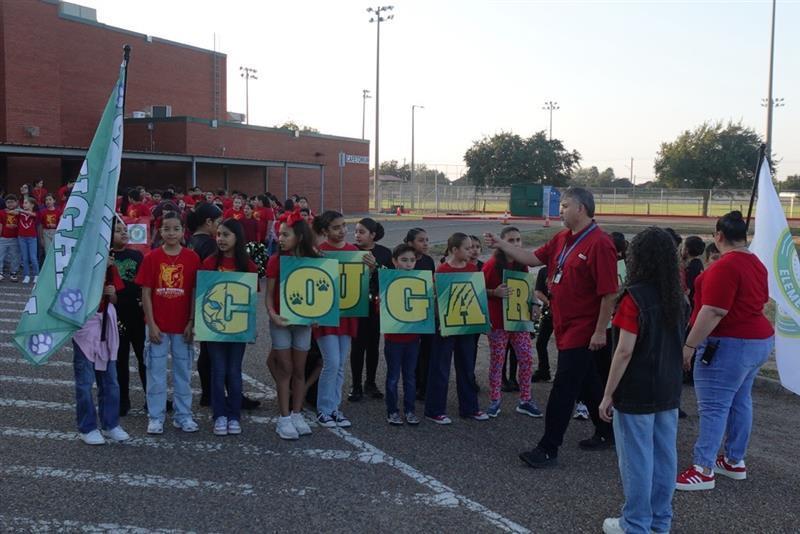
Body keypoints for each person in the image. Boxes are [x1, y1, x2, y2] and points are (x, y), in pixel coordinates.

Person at [485, 187, 618, 467]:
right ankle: (608, 431)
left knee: (564, 388)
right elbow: (533, 258)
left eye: (565, 205)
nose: (560, 210)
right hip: (564, 324)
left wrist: (599, 331)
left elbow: (608, 294)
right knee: (588, 381)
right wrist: (501, 244)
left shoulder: (600, 243)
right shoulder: (562, 238)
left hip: (583, 329)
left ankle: (548, 448)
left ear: (581, 208)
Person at [676, 211, 774, 491]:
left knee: (714, 406)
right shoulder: (755, 263)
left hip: (730, 342)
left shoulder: (724, 266)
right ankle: (733, 459)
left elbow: (713, 310)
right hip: (757, 338)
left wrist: (689, 345)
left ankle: (703, 468)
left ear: (718, 236)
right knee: (740, 400)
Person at [598, 227, 686, 534]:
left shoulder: (634, 297)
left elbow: (624, 351)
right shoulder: (678, 297)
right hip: (668, 388)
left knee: (637, 461)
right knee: (665, 458)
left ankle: (635, 523)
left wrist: (608, 393)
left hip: (637, 390)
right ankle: (660, 521)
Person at [135, 211, 201, 435]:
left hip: (183, 326)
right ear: (159, 231)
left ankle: (183, 415)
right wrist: (151, 323)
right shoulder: (151, 258)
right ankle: (156, 416)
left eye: (176, 229)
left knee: (183, 372)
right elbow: (146, 293)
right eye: (166, 229)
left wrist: (191, 321)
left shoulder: (192, 258)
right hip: (158, 326)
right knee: (155, 373)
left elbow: (194, 291)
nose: (171, 233)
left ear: (183, 231)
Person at [313, 211, 375, 428]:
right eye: (336, 227)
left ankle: (334, 408)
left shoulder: (354, 252)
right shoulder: (319, 252)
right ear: (324, 231)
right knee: (331, 362)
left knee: (339, 365)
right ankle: (323, 409)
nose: (342, 231)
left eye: (343, 226)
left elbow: (360, 285)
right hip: (326, 315)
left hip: (348, 315)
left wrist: (370, 269)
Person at [202, 219, 259, 436]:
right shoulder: (209, 263)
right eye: (218, 234)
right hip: (214, 328)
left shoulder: (248, 266)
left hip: (237, 328)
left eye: (226, 235)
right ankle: (219, 415)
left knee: (234, 371)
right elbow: (201, 296)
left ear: (237, 237)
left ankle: (234, 415)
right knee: (218, 371)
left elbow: (251, 302)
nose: (221, 239)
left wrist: (252, 327)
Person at [425, 232, 488, 424]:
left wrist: (483, 320)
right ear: (454, 250)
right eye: (467, 248)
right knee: (440, 367)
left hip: (466, 325)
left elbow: (477, 296)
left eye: (473, 247)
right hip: (446, 326)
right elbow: (438, 299)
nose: (471, 251)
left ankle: (470, 408)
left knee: (467, 366)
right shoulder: (442, 270)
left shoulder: (473, 269)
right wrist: (440, 322)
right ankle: (434, 410)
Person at [266, 210, 318, 439]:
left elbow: (321, 293)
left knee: (299, 370)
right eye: (279, 234)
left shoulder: (314, 260)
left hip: (304, 323)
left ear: (300, 237)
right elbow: (268, 296)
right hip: (281, 322)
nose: (280, 238)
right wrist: (273, 315)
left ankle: (297, 414)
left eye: (285, 234)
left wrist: (318, 315)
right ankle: (284, 418)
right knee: (285, 369)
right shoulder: (275, 260)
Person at [482, 226, 541, 418]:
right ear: (501, 242)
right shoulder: (491, 265)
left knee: (526, 358)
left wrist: (534, 303)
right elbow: (477, 289)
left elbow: (527, 286)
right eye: (511, 240)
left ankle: (525, 400)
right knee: (497, 361)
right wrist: (494, 292)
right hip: (498, 322)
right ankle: (494, 401)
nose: (515, 243)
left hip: (518, 320)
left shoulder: (521, 263)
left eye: (518, 240)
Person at [72, 253, 129, 445]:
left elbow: (114, 299)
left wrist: (110, 293)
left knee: (111, 380)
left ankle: (110, 424)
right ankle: (87, 427)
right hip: (85, 325)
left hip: (106, 323)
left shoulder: (110, 268)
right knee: (85, 382)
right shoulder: (78, 265)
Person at [349, 217, 392, 402]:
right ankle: (356, 385)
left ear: (373, 235)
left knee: (373, 346)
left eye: (361, 232)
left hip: (375, 306)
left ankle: (371, 382)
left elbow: (390, 277)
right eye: (355, 231)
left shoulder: (384, 252)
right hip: (355, 304)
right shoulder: (351, 251)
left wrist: (376, 267)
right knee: (357, 346)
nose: (357, 235)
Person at [111, 217, 146, 417]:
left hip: (137, 313)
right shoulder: (105, 257)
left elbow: (144, 282)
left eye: (125, 229)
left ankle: (152, 398)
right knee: (120, 359)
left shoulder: (137, 255)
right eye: (118, 230)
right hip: (116, 315)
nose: (123, 233)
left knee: (144, 358)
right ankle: (122, 400)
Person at [384, 244, 422, 425]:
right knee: (393, 377)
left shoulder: (420, 281)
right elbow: (380, 309)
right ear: (394, 261)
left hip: (413, 338)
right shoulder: (388, 281)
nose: (408, 264)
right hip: (393, 339)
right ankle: (392, 411)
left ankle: (410, 410)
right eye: (404, 260)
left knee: (410, 377)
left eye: (412, 260)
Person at [404, 227, 435, 400]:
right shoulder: (404, 261)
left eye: (427, 240)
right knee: (412, 351)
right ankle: (414, 385)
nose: (425, 244)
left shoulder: (429, 260)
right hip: (409, 313)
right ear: (410, 243)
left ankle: (425, 385)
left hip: (426, 312)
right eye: (421, 240)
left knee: (427, 350)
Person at [531, 265, 553, 383]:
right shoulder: (543, 271)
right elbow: (538, 291)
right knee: (541, 342)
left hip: (564, 312)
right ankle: (544, 370)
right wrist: (549, 302)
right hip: (549, 312)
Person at [16, 196, 40, 284]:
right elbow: (13, 212)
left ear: (32, 205)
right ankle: (26, 275)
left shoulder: (35, 213)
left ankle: (36, 275)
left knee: (33, 257)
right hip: (21, 237)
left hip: (32, 238)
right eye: (23, 203)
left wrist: (21, 210)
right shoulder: (20, 214)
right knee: (25, 257)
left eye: (26, 203)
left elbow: (34, 215)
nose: (24, 204)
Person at [0, 194, 21, 282]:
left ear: (16, 202)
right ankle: (0, 272)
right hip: (3, 238)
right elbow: (1, 224)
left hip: (15, 238)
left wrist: (19, 211)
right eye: (8, 202)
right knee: (1, 256)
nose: (10, 204)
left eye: (12, 202)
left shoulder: (19, 213)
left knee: (15, 256)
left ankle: (13, 272)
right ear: (5, 203)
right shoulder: (1, 212)